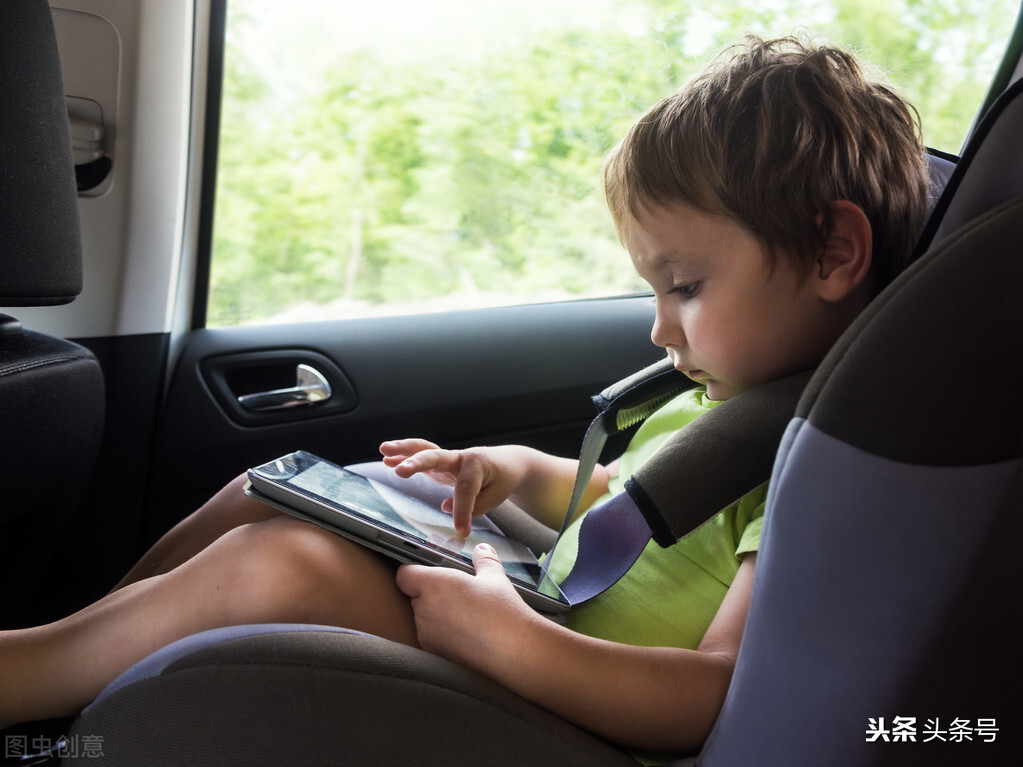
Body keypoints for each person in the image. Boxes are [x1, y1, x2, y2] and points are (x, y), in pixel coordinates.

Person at [0, 35, 929, 759]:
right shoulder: (724, 404)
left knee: (282, 566)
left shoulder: (817, 466)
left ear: (834, 254)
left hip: (572, 693)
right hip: (544, 609)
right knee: (278, 485)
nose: (659, 328)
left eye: (684, 286)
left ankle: (29, 680)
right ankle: (73, 663)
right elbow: (630, 510)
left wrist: (510, 642)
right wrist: (512, 469)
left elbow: (713, 692)